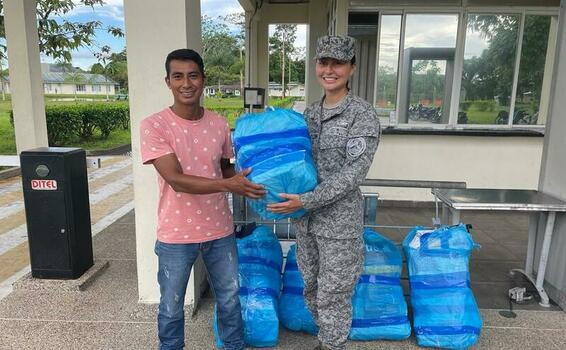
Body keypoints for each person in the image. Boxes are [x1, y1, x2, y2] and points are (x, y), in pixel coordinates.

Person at [140, 48, 265, 350]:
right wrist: (228, 184)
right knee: (171, 306)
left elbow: (225, 168)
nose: (186, 83)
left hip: (220, 230)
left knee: (230, 298)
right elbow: (176, 179)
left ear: (203, 79)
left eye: (193, 75)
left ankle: (234, 346)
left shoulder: (219, 123)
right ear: (167, 81)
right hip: (176, 234)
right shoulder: (154, 125)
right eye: (178, 76)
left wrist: (260, 170)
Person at [268, 35, 381, 350]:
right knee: (311, 288)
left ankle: (332, 344)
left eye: (338, 63)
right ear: (316, 65)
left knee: (335, 292)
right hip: (306, 222)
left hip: (339, 224)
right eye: (323, 62)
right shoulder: (309, 114)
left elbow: (353, 174)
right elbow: (295, 164)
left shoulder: (362, 114)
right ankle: (328, 338)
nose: (329, 70)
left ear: (351, 68)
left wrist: (306, 200)